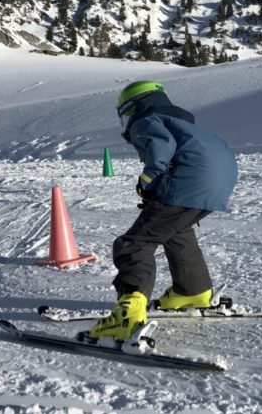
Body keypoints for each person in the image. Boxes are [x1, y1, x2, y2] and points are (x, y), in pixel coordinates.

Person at [87, 81, 238, 341]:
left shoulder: (146, 119)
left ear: (132, 107)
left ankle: (128, 316)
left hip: (188, 181)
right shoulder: (182, 123)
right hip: (217, 182)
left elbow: (160, 148)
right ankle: (192, 291)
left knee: (134, 243)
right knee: (176, 230)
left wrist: (148, 181)